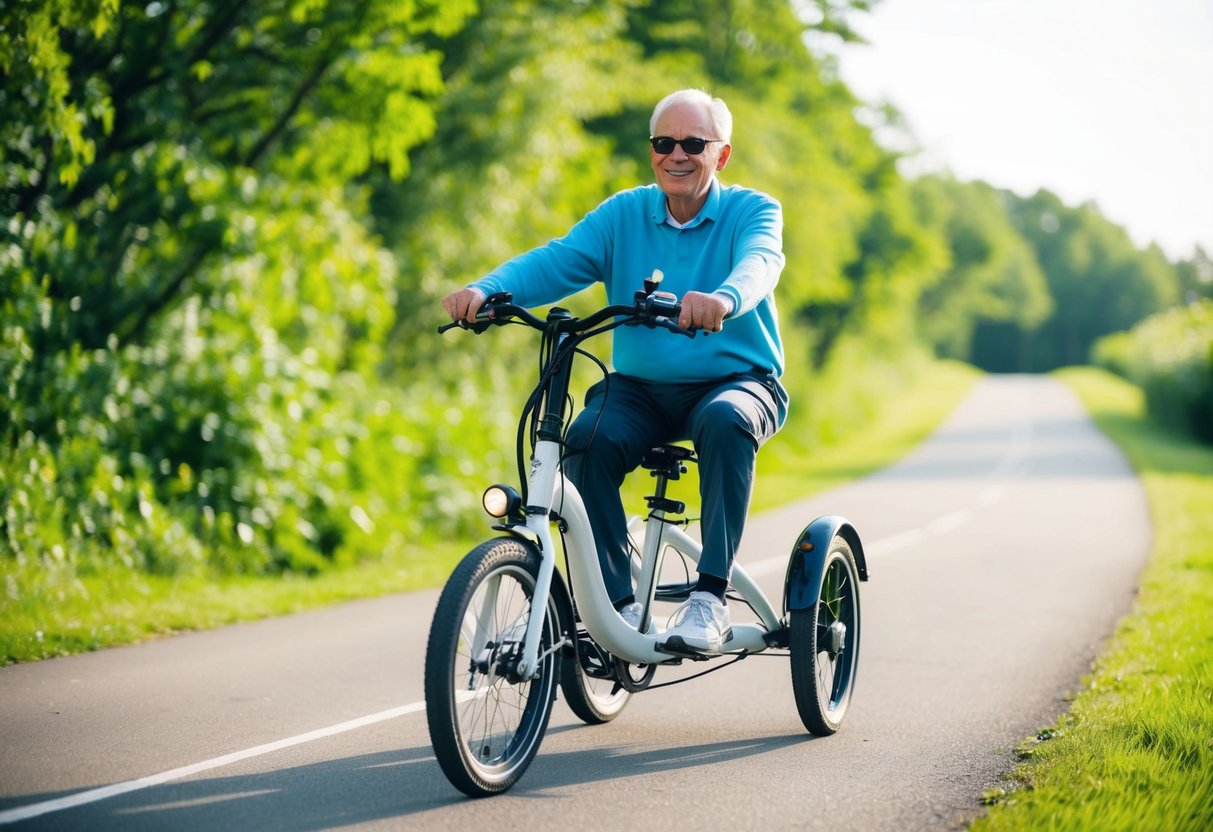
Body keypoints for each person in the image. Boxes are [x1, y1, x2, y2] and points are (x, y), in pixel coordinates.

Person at [443, 88, 787, 655]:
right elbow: (555, 261)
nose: (677, 154)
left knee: (726, 421)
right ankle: (618, 605)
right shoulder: (624, 214)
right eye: (663, 142)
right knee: (584, 440)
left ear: (720, 156)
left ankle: (710, 597)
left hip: (739, 381)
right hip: (642, 389)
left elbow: (761, 262)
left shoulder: (753, 210)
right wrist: (486, 289)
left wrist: (724, 299)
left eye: (694, 144)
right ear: (652, 151)